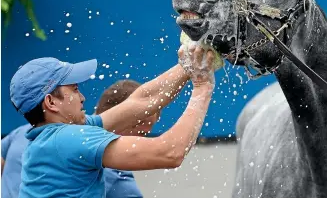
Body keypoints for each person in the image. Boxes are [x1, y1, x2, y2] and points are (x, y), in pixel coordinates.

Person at [10, 44, 217, 197]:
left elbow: (141, 101)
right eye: (74, 90)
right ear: (51, 102)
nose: (82, 97)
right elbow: (170, 152)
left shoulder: (50, 137)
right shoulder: (71, 139)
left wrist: (189, 65)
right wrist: (202, 88)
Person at [1, 79, 155, 198]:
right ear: (123, 118)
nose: (140, 140)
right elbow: (169, 154)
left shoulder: (25, 132)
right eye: (141, 133)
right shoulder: (109, 169)